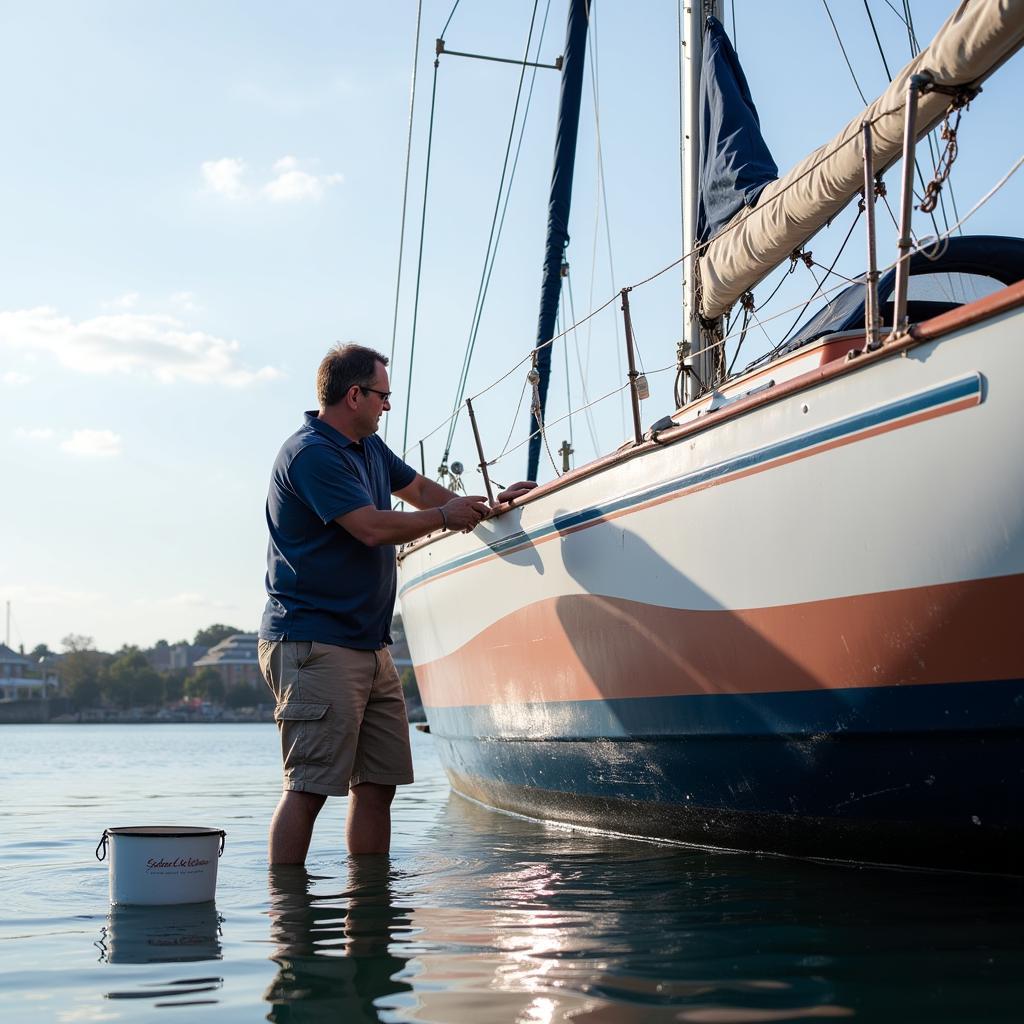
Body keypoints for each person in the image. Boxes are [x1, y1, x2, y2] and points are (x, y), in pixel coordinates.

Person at [258, 343, 534, 864]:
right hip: (314, 642)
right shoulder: (312, 453)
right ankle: (290, 921)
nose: (388, 406)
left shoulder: (369, 450)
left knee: (378, 783)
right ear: (354, 394)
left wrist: (491, 505)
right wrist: (445, 518)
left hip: (368, 644)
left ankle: (368, 908)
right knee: (310, 788)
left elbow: (426, 493)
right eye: (383, 396)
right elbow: (369, 527)